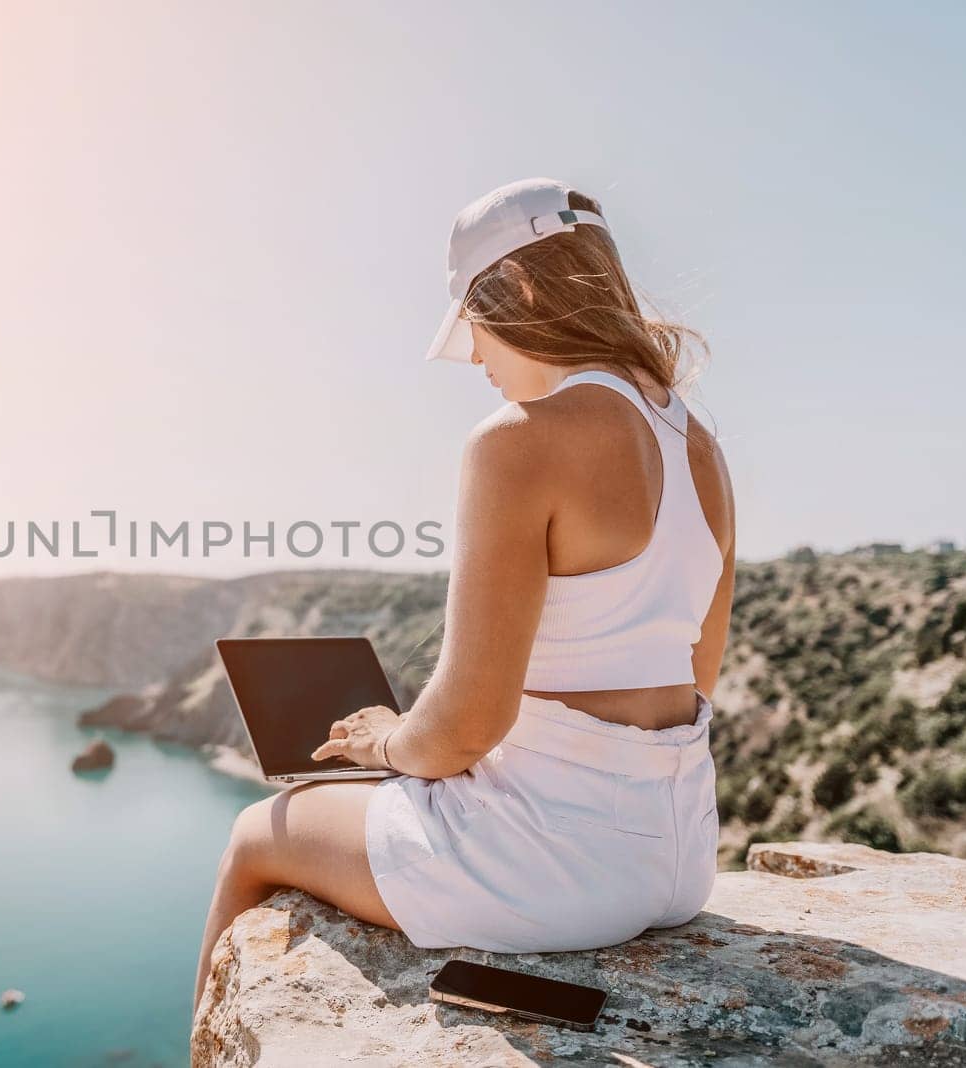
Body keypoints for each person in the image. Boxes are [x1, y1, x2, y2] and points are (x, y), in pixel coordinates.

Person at [192, 177, 736, 1015]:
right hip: (680, 860)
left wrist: (386, 742)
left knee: (259, 831)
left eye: (472, 330)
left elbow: (470, 724)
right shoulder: (700, 446)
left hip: (551, 874)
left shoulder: (520, 441)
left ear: (514, 293)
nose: (477, 359)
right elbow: (700, 669)